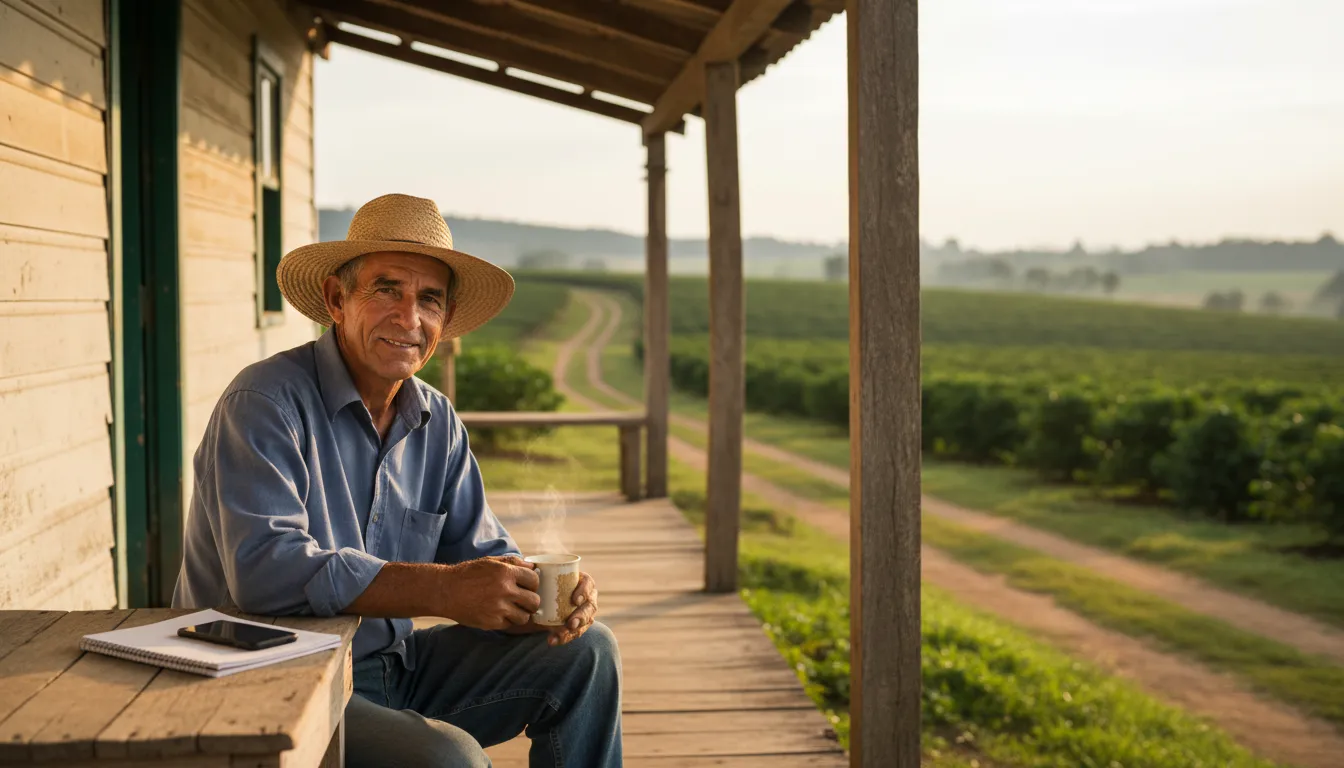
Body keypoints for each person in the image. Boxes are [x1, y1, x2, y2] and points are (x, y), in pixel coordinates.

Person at [172, 193, 622, 767]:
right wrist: (442, 589)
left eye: (429, 300)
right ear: (337, 299)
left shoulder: (437, 421)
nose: (409, 319)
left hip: (390, 666)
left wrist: (544, 598)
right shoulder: (264, 401)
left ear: (445, 322)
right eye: (387, 289)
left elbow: (484, 558)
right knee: (449, 760)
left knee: (591, 652)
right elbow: (265, 572)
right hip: (264, 675)